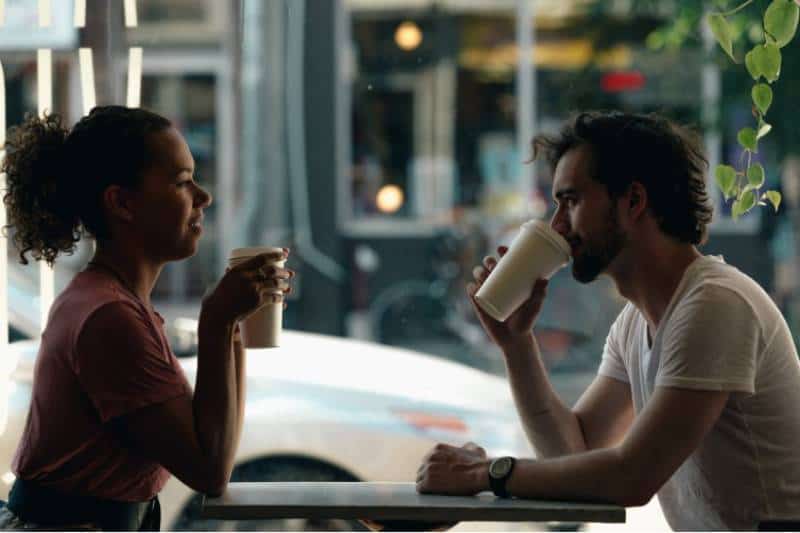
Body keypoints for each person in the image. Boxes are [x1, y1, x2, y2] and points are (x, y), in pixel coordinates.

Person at [415, 111, 800, 530]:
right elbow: (573, 455)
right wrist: (516, 345)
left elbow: (631, 477)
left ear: (633, 201)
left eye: (571, 201)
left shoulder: (716, 304)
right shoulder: (637, 324)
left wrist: (483, 474)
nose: (557, 226)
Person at [0, 106, 293, 530]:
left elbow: (216, 449)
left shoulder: (112, 301)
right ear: (122, 203)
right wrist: (217, 319)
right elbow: (210, 469)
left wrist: (232, 321)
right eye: (181, 182)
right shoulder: (109, 317)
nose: (203, 196)